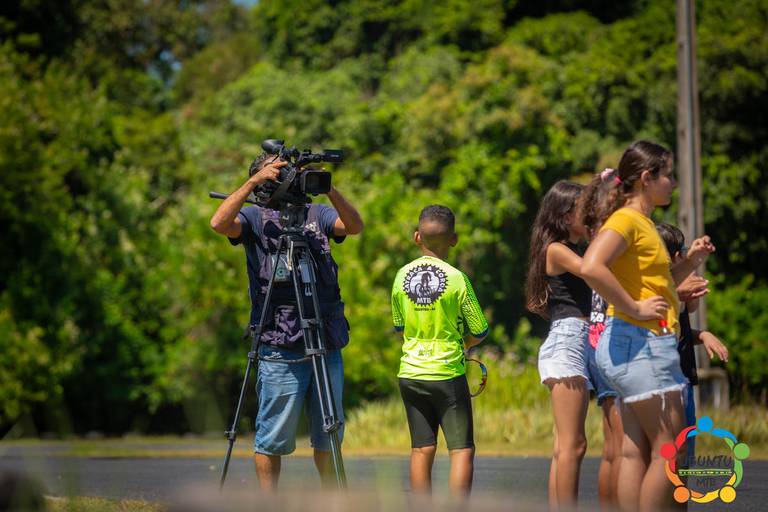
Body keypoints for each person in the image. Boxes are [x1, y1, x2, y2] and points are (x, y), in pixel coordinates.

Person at [210, 153, 364, 490]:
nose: (288, 178)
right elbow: (219, 223)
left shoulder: (316, 214)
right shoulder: (254, 217)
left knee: (329, 432)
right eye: (278, 173)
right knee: (273, 437)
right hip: (280, 342)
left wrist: (328, 188)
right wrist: (253, 182)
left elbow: (354, 226)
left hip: (324, 339)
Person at [580, 140, 715, 511]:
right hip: (641, 344)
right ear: (646, 178)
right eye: (667, 175)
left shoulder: (641, 223)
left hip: (631, 344)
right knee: (670, 450)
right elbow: (591, 266)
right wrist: (634, 307)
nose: (673, 182)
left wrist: (691, 260)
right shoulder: (627, 220)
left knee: (636, 450)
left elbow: (660, 284)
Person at [391, 205, 489, 496]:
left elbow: (399, 326)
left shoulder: (401, 276)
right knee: (461, 450)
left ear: (417, 237)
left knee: (421, 449)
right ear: (454, 239)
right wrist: (464, 344)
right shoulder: (457, 278)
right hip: (446, 373)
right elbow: (480, 329)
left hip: (410, 373)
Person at [525, 180, 592, 508]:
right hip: (569, 341)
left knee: (565, 446)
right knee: (572, 446)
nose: (591, 215)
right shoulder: (556, 249)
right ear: (566, 216)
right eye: (586, 210)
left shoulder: (568, 249)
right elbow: (592, 270)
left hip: (572, 341)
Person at [656, 223, 729, 443]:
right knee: (667, 446)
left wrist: (703, 335)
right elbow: (658, 328)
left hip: (683, 375)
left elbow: (682, 325)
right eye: (682, 255)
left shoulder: (673, 292)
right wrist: (676, 294)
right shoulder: (654, 292)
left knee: (684, 447)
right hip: (661, 377)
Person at [580, 170, 623, 509]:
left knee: (613, 447)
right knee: (623, 446)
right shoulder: (616, 233)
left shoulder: (595, 232)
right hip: (615, 334)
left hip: (597, 337)